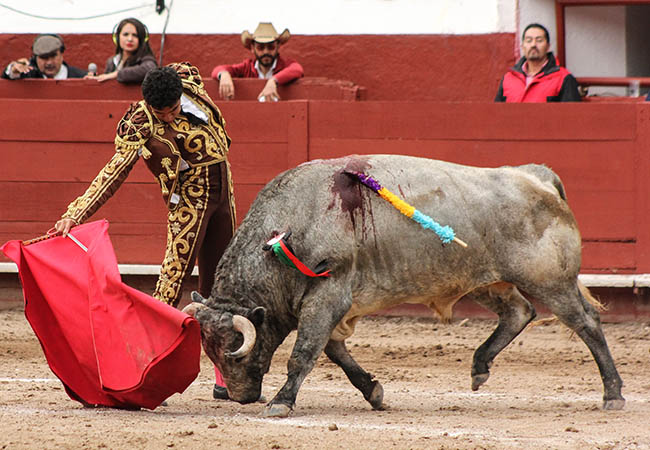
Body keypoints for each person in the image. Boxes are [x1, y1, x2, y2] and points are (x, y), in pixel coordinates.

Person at [53, 63, 236, 400]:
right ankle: (140, 366)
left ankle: (222, 370)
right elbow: (113, 172)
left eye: (173, 110)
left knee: (222, 284)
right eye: (160, 112)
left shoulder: (188, 79)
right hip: (190, 199)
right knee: (171, 284)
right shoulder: (139, 122)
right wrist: (76, 213)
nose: (167, 118)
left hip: (224, 191)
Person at [211, 22, 304, 102]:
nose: (266, 52)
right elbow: (218, 70)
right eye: (260, 47)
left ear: (278, 46)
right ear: (252, 48)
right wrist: (224, 75)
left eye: (270, 47)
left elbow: (297, 69)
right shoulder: (247, 67)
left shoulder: (284, 65)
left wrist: (273, 81)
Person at [495, 23, 581, 103]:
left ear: (548, 46)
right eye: (529, 40)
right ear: (522, 47)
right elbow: (497, 114)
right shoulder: (509, 78)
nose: (533, 45)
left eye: (539, 40)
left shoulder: (563, 78)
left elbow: (571, 116)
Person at [85, 18, 157, 84]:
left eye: (135, 35)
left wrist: (116, 74)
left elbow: (150, 70)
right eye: (125, 34)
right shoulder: (112, 62)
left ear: (141, 39)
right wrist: (96, 78)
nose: (130, 39)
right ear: (117, 38)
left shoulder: (146, 60)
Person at [2, 34, 86, 80]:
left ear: (62, 54)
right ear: (35, 58)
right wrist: (14, 68)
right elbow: (9, 76)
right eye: (43, 57)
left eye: (53, 56)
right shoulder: (29, 75)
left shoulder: (80, 76)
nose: (49, 62)